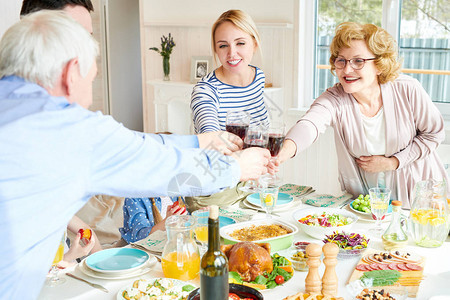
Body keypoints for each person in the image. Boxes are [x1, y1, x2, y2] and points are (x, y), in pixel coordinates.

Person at [0, 11, 270, 299]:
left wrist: (200, 140)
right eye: (91, 79)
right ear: (71, 73)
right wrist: (235, 168)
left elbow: (141, 144)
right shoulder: (67, 129)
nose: (89, 98)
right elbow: (160, 165)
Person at [276, 22, 449, 208]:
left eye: (358, 61)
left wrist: (393, 162)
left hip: (423, 200)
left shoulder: (407, 89)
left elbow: (434, 134)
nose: (347, 69)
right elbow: (310, 125)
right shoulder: (335, 98)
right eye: (341, 60)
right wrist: (282, 153)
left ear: (380, 65)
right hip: (368, 205)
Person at [190, 9, 269, 134]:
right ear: (216, 49)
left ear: (254, 44)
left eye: (240, 43)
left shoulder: (258, 77)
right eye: (223, 45)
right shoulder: (205, 90)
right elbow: (210, 136)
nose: (231, 53)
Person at [119, 196, 187, 244]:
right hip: (140, 249)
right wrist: (167, 221)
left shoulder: (173, 193)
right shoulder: (135, 197)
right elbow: (140, 237)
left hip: (169, 243)